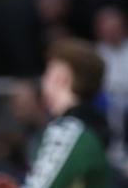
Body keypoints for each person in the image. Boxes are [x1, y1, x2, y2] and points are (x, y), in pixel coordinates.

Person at [22, 38, 111, 188]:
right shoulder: (90, 129)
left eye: (48, 73)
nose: (43, 80)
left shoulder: (67, 131)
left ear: (60, 78)